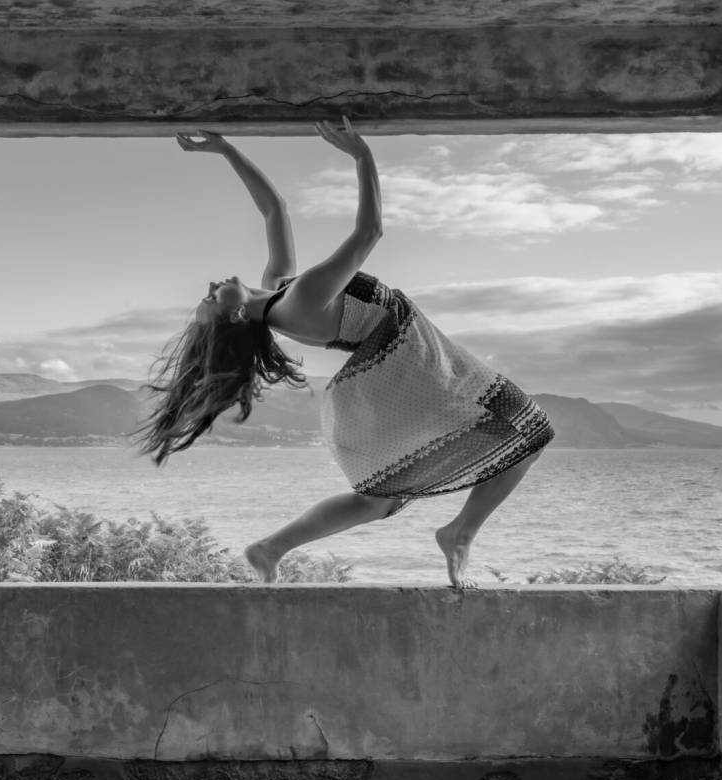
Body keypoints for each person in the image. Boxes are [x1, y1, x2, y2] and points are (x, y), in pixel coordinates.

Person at [135, 118, 555, 589]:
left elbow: (275, 210)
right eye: (213, 300)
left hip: (391, 371)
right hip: (407, 366)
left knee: (377, 500)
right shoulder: (301, 300)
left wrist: (225, 150)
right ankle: (460, 534)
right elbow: (370, 231)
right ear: (235, 318)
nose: (211, 287)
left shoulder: (279, 292)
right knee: (530, 428)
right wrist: (361, 156)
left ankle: (270, 548)